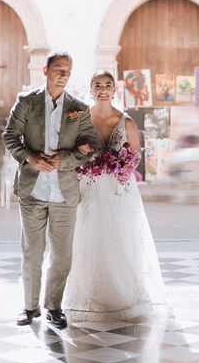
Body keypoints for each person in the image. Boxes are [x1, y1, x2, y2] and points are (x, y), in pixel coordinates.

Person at [2, 51, 98, 329]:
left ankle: (54, 307)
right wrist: (29, 157)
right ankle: (30, 307)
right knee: (32, 251)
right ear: (45, 70)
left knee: (63, 255)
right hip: (32, 191)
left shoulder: (78, 107)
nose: (63, 74)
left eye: (67, 70)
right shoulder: (26, 102)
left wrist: (65, 159)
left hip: (65, 193)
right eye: (58, 69)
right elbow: (10, 135)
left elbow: (90, 141)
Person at [63, 70, 167, 322]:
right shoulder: (78, 118)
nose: (103, 89)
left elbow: (136, 156)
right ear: (90, 89)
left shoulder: (126, 121)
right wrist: (79, 151)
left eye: (108, 85)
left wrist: (121, 165)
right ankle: (83, 294)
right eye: (97, 85)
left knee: (119, 235)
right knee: (87, 235)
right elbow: (66, 148)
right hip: (87, 186)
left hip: (118, 189)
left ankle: (123, 294)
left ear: (114, 90)